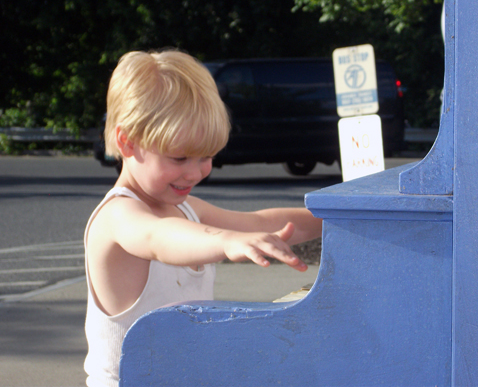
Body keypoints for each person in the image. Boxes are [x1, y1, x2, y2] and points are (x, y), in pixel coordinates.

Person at [83, 49, 323, 387]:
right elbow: (159, 237)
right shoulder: (117, 216)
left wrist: (333, 217)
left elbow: (260, 223)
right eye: (180, 157)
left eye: (206, 156)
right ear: (128, 142)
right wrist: (226, 240)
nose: (195, 172)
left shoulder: (187, 209)